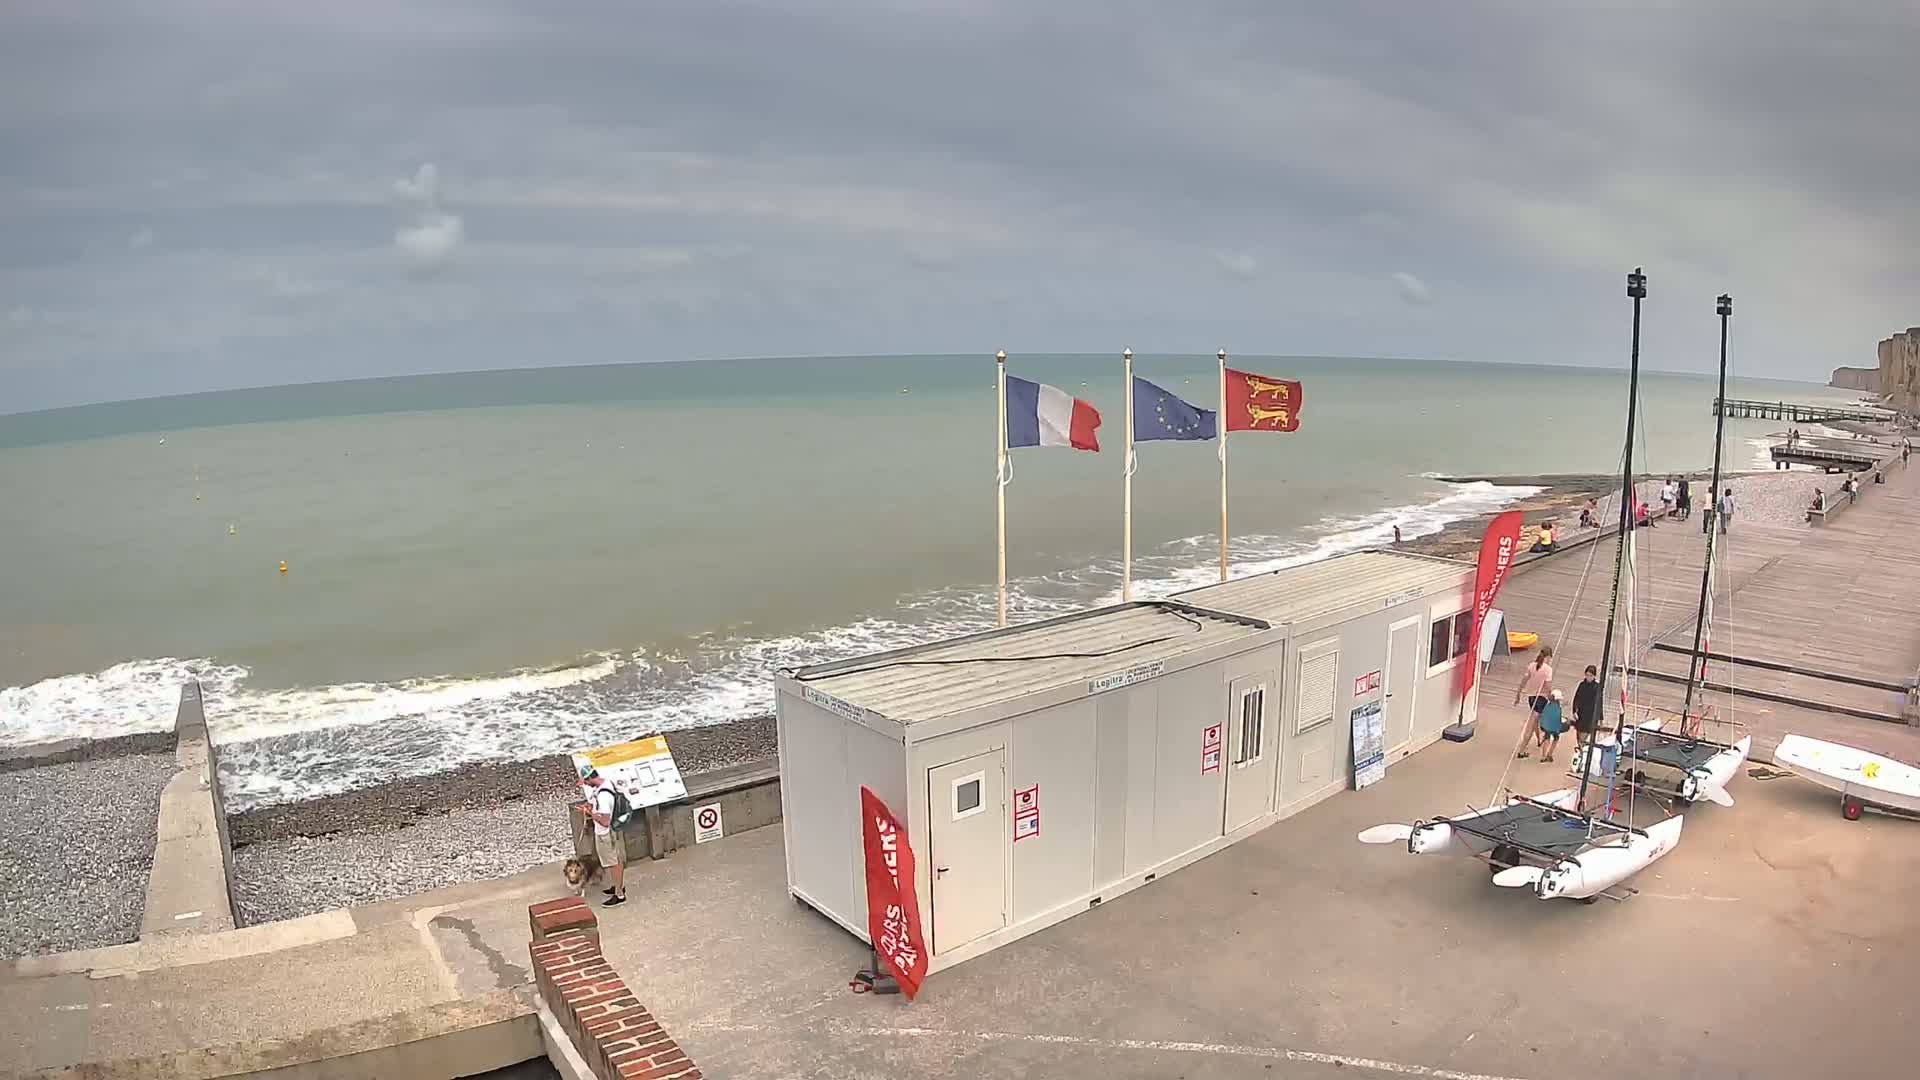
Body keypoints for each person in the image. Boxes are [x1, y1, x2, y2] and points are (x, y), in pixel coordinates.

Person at [581, 767, 628, 907]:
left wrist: (591, 814)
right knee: (615, 860)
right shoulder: (606, 784)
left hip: (605, 833)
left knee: (613, 863)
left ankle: (619, 894)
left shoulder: (603, 796)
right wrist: (591, 807)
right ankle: (617, 886)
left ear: (590, 778)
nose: (586, 784)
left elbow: (605, 821)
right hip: (613, 829)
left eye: (586, 781)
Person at [1513, 646, 1555, 757]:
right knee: (1532, 723)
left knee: (1535, 719)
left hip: (1531, 697)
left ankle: (1538, 739)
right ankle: (1522, 749)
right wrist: (1552, 696)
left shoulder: (1531, 666)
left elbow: (1524, 680)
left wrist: (1518, 694)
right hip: (1541, 698)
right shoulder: (1548, 669)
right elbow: (1547, 686)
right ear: (1548, 657)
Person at [1535, 688, 1567, 763]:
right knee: (1556, 738)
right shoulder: (1558, 707)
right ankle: (1549, 754)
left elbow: (1543, 715)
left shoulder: (1548, 705)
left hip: (1546, 726)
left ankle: (1543, 756)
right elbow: (1558, 719)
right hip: (1554, 727)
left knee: (1547, 738)